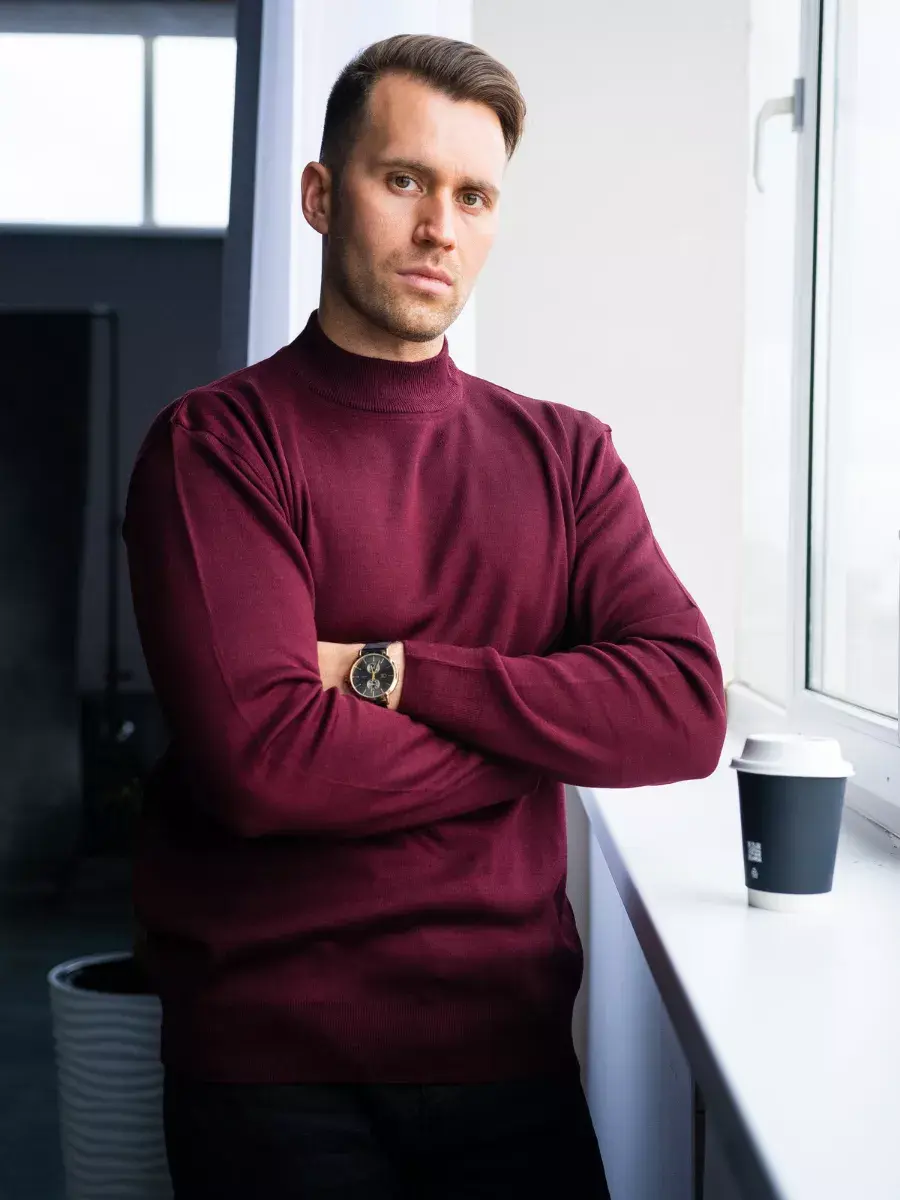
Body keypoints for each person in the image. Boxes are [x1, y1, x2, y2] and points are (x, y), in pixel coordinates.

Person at [123, 32, 726, 1200]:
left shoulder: (568, 457)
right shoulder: (216, 445)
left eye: (473, 195)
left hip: (512, 1059)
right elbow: (266, 765)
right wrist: (547, 731)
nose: (439, 226)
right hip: (274, 1073)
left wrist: (392, 671)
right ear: (320, 195)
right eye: (403, 179)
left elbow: (684, 709)